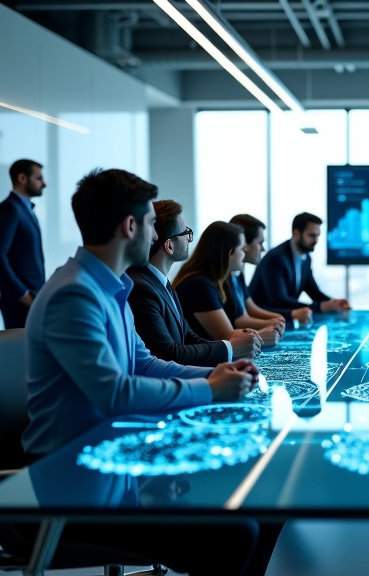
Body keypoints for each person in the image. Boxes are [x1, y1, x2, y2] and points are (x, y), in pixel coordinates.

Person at [20, 167, 280, 576]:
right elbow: (115, 394)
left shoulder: (111, 287)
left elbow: (145, 363)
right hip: (74, 483)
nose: (154, 233)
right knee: (238, 532)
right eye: (147, 223)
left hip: (114, 459)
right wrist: (210, 390)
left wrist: (216, 372)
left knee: (263, 500)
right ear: (129, 226)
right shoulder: (74, 295)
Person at [127, 200, 262, 366]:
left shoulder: (160, 281)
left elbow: (188, 335)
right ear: (169, 246)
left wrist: (230, 347)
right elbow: (168, 353)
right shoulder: (142, 288)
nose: (190, 239)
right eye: (186, 233)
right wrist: (230, 348)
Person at [173, 222, 282, 345]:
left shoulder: (211, 280)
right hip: (197, 361)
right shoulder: (199, 285)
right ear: (229, 253)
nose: (244, 253)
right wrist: (262, 336)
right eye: (242, 249)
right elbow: (228, 337)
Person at [248, 212, 350, 323]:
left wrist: (334, 302)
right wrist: (321, 307)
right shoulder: (276, 258)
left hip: (282, 321)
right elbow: (279, 301)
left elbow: (314, 292)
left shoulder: (306, 258)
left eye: (317, 236)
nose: (316, 241)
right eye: (311, 235)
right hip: (260, 322)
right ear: (296, 233)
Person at [0, 159, 47, 329]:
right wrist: (22, 294)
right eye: (39, 178)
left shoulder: (26, 209)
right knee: (21, 354)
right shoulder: (10, 209)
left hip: (33, 300)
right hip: (19, 304)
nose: (44, 183)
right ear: (22, 178)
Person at [228, 213, 289, 334]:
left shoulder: (237, 273)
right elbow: (239, 320)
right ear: (244, 243)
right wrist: (273, 322)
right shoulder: (223, 277)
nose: (263, 249)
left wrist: (278, 317)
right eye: (260, 243)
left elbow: (250, 307)